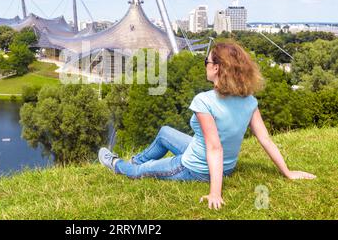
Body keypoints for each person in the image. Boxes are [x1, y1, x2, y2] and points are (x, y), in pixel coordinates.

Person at [99, 41, 316, 210]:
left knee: (140, 171)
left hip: (194, 167)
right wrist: (286, 172)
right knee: (165, 132)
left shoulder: (204, 101)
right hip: (222, 163)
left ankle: (117, 164)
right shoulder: (249, 100)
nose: (206, 65)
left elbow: (215, 147)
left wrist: (215, 192)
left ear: (218, 68)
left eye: (208, 62)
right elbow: (265, 139)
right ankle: (136, 158)